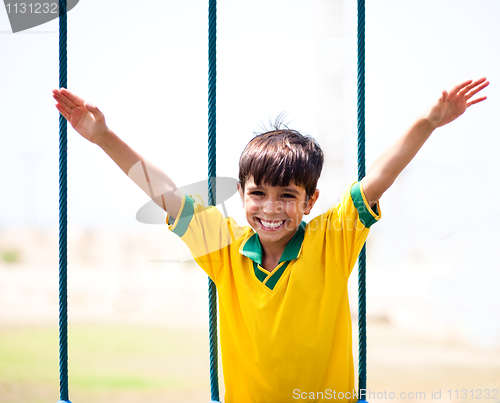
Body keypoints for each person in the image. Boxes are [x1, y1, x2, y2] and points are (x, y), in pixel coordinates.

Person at [52, 77, 489, 402]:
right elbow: (167, 194)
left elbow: (378, 179)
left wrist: (426, 123)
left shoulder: (331, 241)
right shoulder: (224, 249)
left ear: (310, 201)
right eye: (258, 193)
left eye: (287, 196)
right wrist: (104, 137)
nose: (271, 208)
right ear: (241, 194)